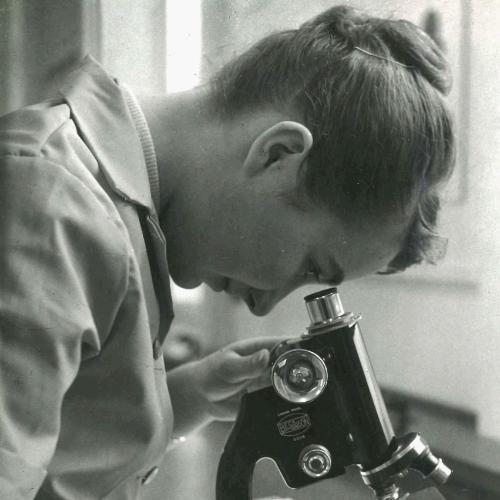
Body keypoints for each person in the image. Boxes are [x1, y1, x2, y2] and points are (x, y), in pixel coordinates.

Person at [0, 5, 454, 500]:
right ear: (278, 155)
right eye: (309, 267)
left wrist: (183, 398)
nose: (263, 304)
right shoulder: (51, 201)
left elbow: (51, 440)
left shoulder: (105, 212)